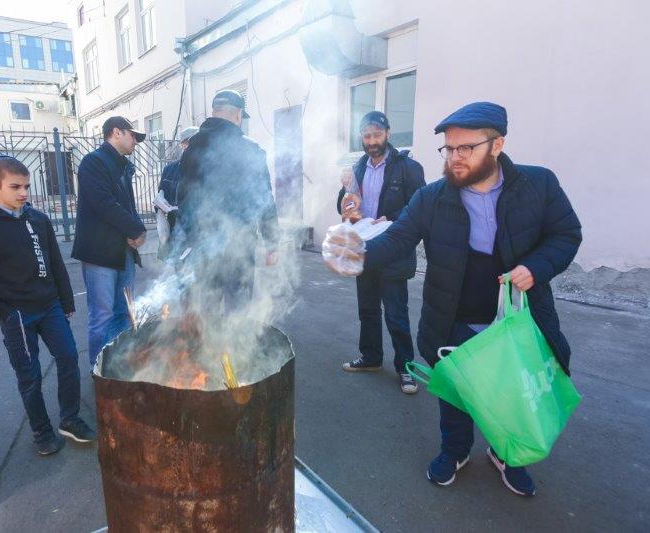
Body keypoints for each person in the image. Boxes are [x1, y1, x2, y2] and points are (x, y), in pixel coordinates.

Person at [333, 102, 582, 496]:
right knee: (456, 390)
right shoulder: (433, 197)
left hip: (515, 318)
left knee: (510, 392)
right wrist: (356, 256)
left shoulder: (538, 184)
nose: (455, 158)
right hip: (452, 315)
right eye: (449, 149)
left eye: (466, 148)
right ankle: (455, 450)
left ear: (497, 144)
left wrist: (535, 267)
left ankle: (507, 454)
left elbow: (567, 234)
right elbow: (398, 238)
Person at [0, 156, 95, 455]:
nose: (23, 193)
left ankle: (69, 418)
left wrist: (66, 300)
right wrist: (3, 311)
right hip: (17, 316)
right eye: (15, 187)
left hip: (50, 307)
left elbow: (55, 263)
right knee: (30, 374)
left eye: (26, 186)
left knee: (69, 358)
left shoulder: (38, 219)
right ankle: (41, 431)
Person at [337, 111, 425, 394]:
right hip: (365, 248)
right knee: (368, 309)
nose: (371, 141)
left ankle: (406, 368)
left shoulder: (408, 168)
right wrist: (344, 192)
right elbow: (347, 207)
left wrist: (389, 218)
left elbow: (419, 206)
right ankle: (371, 357)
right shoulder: (358, 168)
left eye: (376, 135)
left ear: (388, 133)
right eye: (366, 136)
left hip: (394, 248)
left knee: (396, 313)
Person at [175, 90, 280, 312]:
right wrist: (271, 243)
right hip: (240, 247)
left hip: (204, 248)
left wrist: (194, 237)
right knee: (238, 313)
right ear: (238, 115)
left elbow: (182, 198)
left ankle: (207, 346)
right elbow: (264, 200)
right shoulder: (250, 149)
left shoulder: (192, 147)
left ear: (214, 112)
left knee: (207, 311)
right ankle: (235, 347)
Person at [72, 117, 147, 367]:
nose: (135, 141)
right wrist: (136, 229)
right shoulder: (94, 162)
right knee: (102, 316)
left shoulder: (121, 166)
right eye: (132, 135)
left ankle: (119, 367)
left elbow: (127, 206)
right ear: (116, 132)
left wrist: (135, 232)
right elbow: (104, 204)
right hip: (100, 254)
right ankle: (99, 371)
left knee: (124, 312)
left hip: (123, 252)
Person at [156, 126, 199, 259]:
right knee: (177, 274)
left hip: (198, 234)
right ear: (183, 144)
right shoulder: (170, 169)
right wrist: (161, 204)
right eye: (189, 142)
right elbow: (160, 197)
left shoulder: (206, 168)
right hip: (175, 233)